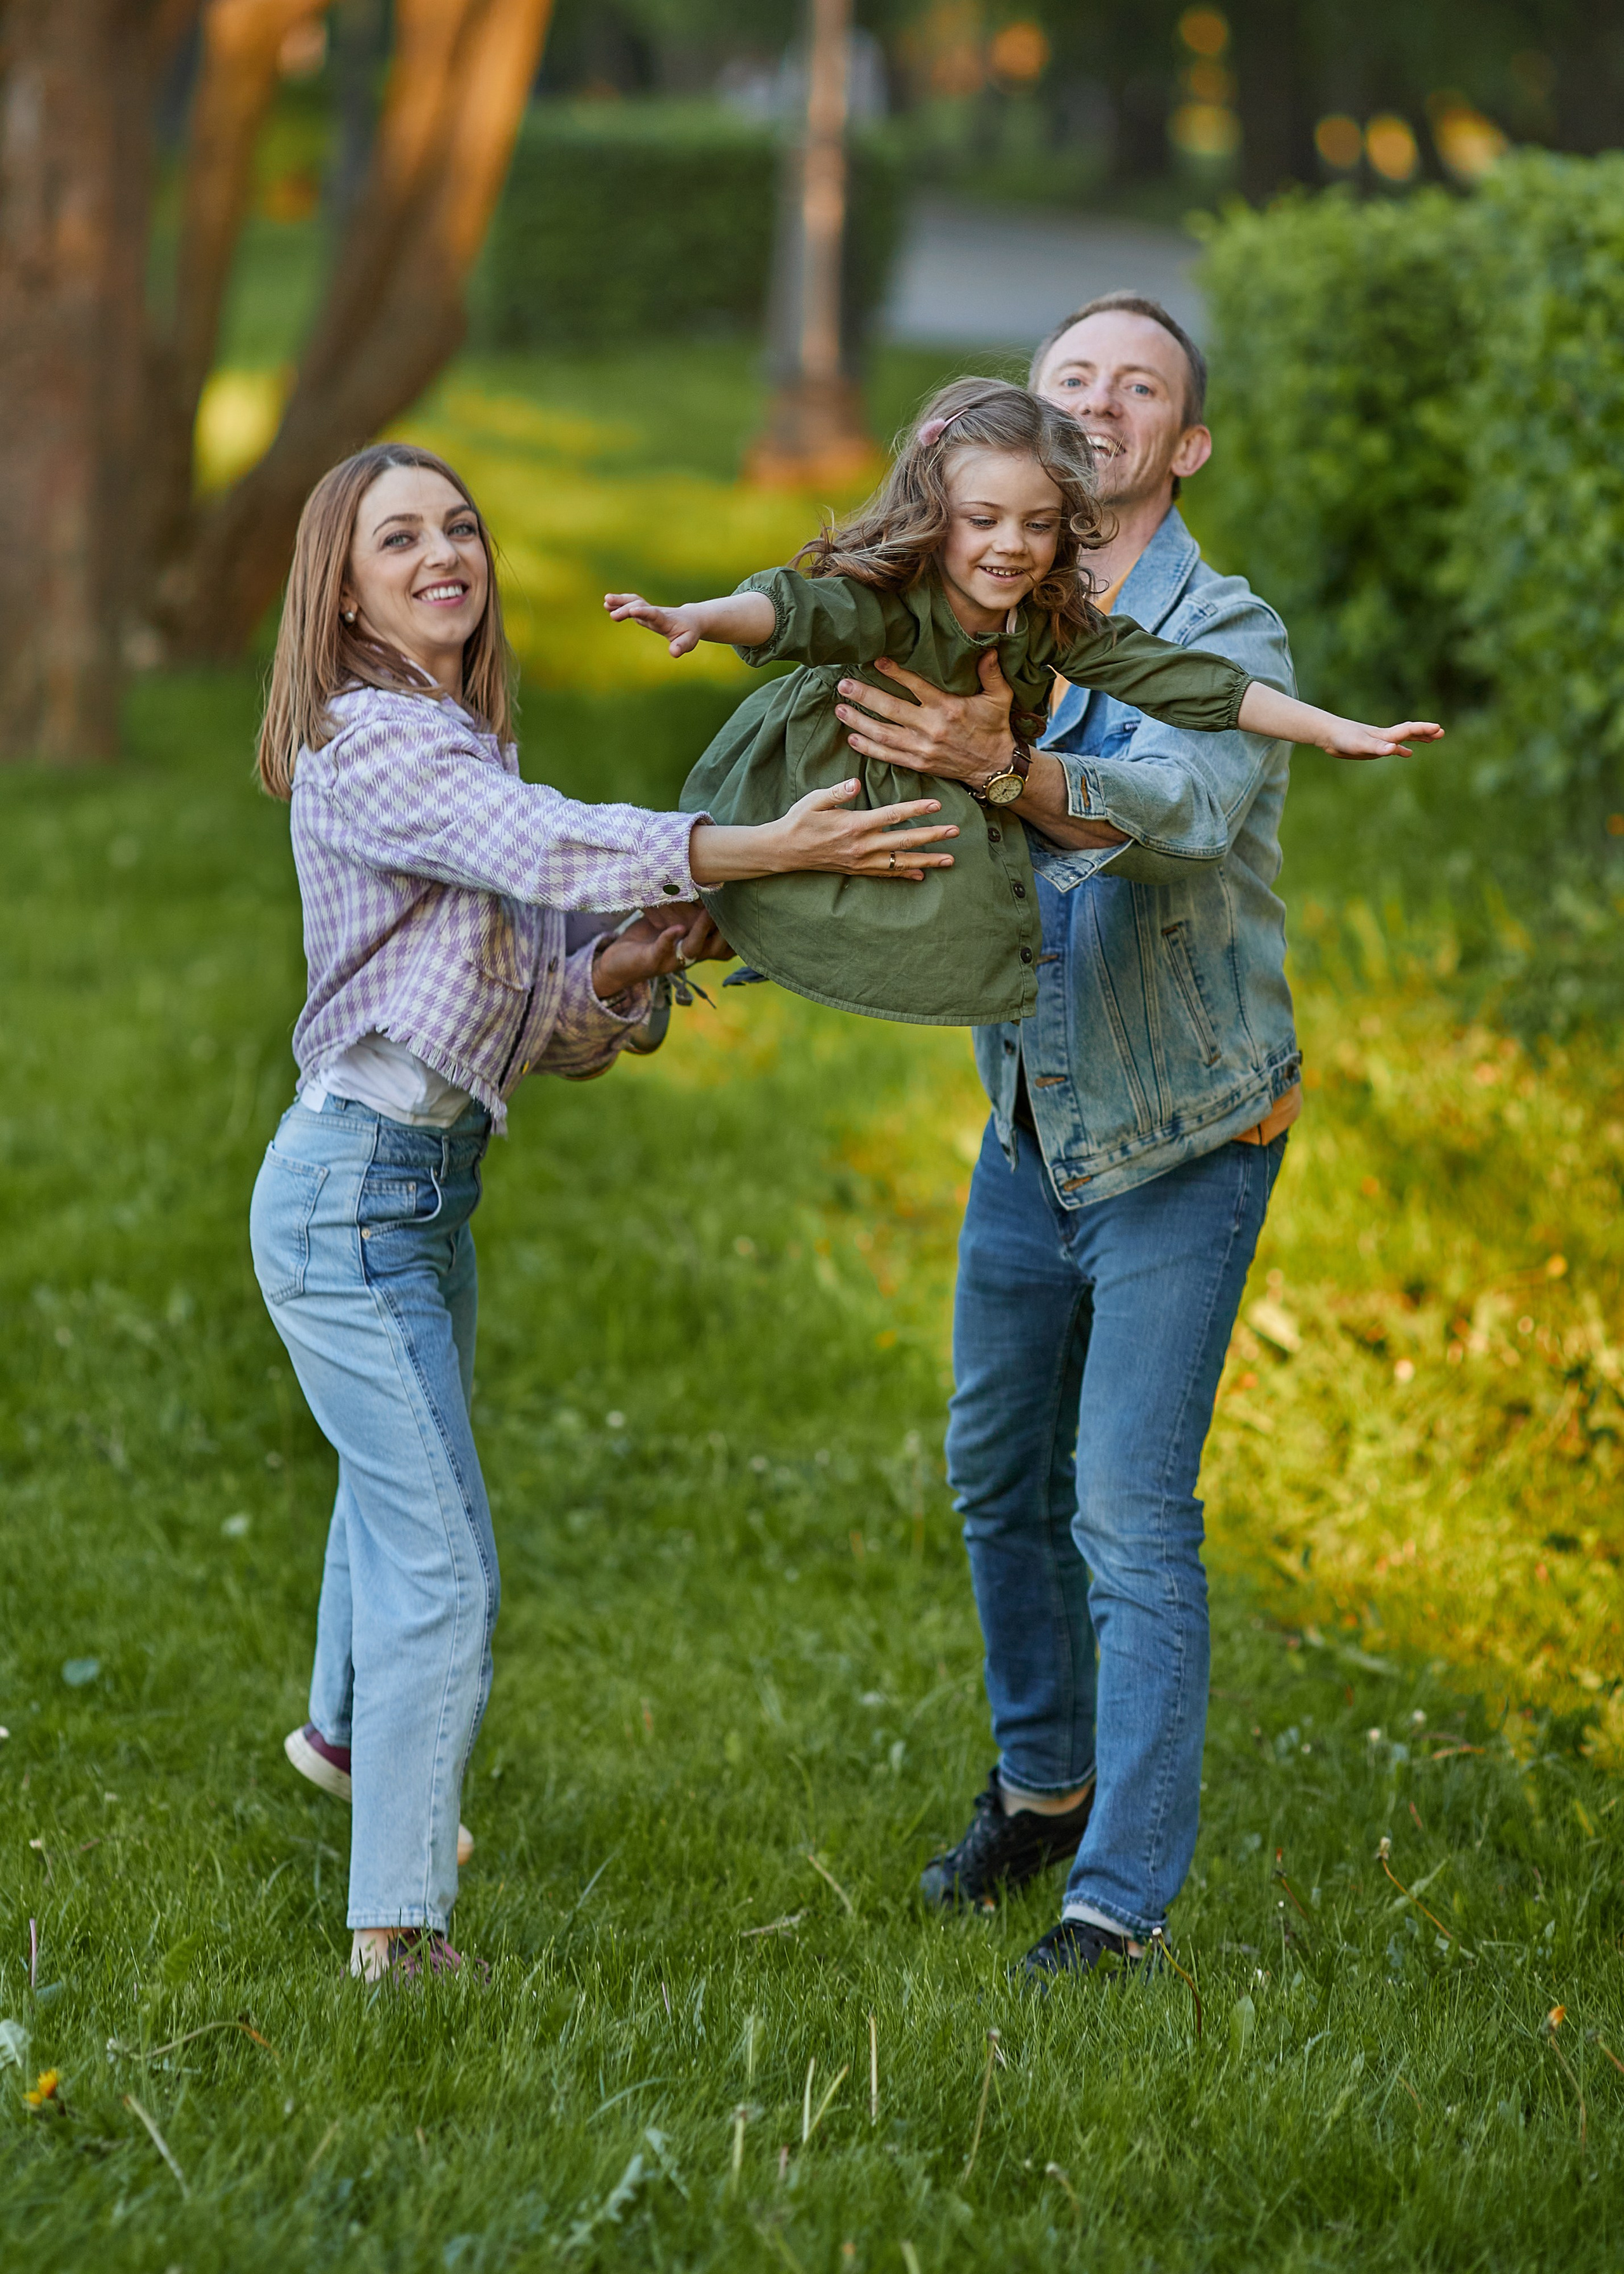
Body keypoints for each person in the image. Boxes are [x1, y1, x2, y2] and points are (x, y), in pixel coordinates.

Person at [250, 442, 960, 1982]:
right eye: (398, 539)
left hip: (416, 1195)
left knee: (402, 1489)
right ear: (345, 589)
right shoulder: (366, 744)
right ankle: (398, 1933)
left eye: (458, 526)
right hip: (347, 1199)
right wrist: (758, 843)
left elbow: (527, 1019)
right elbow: (547, 847)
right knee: (445, 1565)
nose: (444, 553)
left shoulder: (455, 740)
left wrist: (622, 974)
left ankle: (343, 1731)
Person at [828, 294, 1331, 1979]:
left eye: (1141, 390)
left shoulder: (1229, 629)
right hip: (1033, 1128)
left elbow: (1186, 808)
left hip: (1190, 1132)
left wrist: (1018, 767)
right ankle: (1046, 1788)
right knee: (994, 1478)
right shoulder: (978, 601)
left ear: (1183, 446)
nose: (1103, 404)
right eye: (1072, 381)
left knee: (1127, 1510)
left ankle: (1120, 1898)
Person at [605, 377, 1437, 1028]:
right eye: (984, 520)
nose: (1011, 545)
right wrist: (697, 619)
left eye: (1039, 526)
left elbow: (1196, 685)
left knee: (943, 911)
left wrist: (1333, 729)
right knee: (776, 883)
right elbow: (790, 609)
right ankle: (669, 935)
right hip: (817, 771)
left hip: (929, 791)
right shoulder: (892, 603)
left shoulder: (1050, 624)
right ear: (937, 517)